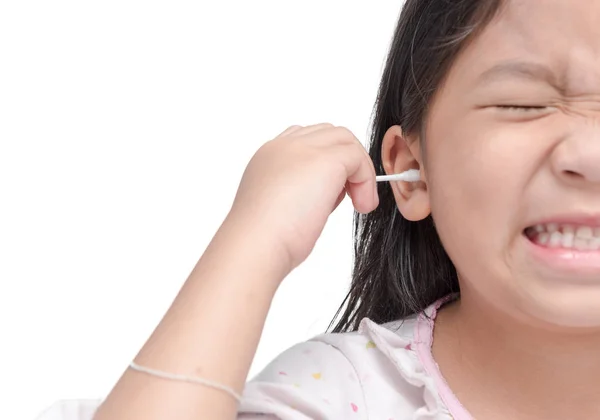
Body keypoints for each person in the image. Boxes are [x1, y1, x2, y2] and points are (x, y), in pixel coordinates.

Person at [38, 0, 600, 418]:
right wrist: (256, 239)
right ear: (410, 173)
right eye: (522, 104)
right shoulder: (340, 396)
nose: (588, 155)